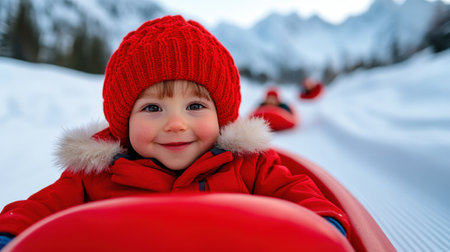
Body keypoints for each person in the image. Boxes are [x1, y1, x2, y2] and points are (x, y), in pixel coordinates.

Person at [0, 15, 349, 249]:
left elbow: (295, 190)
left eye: (195, 107)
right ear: (124, 122)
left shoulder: (248, 165)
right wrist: (10, 234)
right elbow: (40, 208)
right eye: (152, 108)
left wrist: (322, 226)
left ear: (222, 116)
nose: (176, 124)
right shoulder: (94, 176)